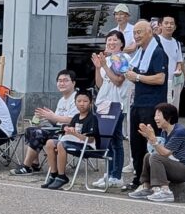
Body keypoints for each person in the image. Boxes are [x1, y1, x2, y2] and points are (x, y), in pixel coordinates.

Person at [127, 103, 185, 203]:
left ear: (168, 117)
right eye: (155, 115)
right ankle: (147, 187)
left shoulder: (180, 131)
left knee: (155, 157)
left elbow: (165, 153)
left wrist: (153, 139)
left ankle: (165, 191)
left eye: (158, 115)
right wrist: (149, 138)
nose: (155, 118)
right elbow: (156, 150)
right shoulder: (164, 132)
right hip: (179, 165)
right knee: (148, 156)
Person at [125, 20, 168, 191]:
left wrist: (137, 77)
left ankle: (152, 179)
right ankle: (139, 178)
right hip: (137, 103)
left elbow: (160, 78)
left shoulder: (157, 52)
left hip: (152, 105)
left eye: (140, 32)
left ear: (150, 32)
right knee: (136, 144)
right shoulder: (139, 53)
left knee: (150, 143)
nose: (136, 36)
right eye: (135, 33)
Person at [10, 69, 78, 175]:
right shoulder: (62, 100)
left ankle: (26, 166)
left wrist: (53, 116)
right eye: (59, 81)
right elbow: (57, 121)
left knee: (39, 133)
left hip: (70, 132)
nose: (62, 83)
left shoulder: (77, 99)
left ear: (73, 83)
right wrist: (47, 116)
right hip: (58, 129)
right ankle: (35, 164)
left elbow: (73, 120)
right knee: (30, 129)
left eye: (65, 80)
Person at [92, 30, 132, 188]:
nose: (111, 43)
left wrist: (104, 66)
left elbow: (118, 81)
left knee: (116, 140)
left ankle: (116, 176)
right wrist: (98, 67)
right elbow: (100, 84)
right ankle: (108, 174)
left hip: (116, 104)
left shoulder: (121, 58)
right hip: (103, 103)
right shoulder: (107, 59)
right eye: (109, 40)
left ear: (121, 43)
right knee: (106, 140)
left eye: (115, 40)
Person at [40, 90, 99, 190]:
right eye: (79, 101)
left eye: (85, 101)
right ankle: (54, 174)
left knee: (61, 144)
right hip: (74, 142)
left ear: (91, 103)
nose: (81, 104)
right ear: (75, 102)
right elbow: (69, 134)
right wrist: (67, 130)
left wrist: (75, 133)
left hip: (86, 146)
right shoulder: (76, 117)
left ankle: (62, 176)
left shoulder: (92, 118)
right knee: (50, 143)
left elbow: (90, 139)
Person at [158, 16, 185, 109]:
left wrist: (181, 72)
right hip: (159, 81)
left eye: (171, 24)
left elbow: (179, 61)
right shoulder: (155, 41)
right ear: (160, 25)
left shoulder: (176, 43)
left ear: (175, 27)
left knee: (172, 109)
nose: (169, 26)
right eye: (166, 23)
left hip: (173, 83)